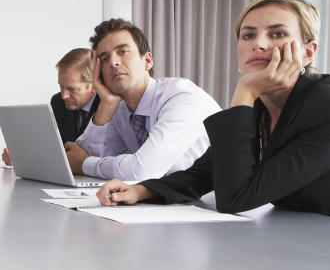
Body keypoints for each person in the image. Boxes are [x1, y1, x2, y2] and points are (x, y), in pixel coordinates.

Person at [96, 0, 330, 228]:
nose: (259, 44)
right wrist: (141, 190)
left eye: (277, 34)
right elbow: (205, 172)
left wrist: (245, 90)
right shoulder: (262, 106)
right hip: (313, 241)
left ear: (308, 52)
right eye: (248, 36)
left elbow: (236, 197)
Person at [66, 19, 221, 180]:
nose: (113, 62)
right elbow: (82, 157)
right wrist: (106, 104)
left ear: (147, 61)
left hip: (212, 200)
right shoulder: (120, 110)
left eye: (123, 51)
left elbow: (142, 170)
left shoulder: (181, 96)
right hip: (168, 199)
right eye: (104, 59)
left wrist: (84, 164)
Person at [1, 48, 100, 165]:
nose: (64, 95)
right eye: (61, 86)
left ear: (94, 86)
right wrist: (22, 156)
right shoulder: (58, 102)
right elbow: (54, 149)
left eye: (71, 89)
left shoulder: (110, 107)